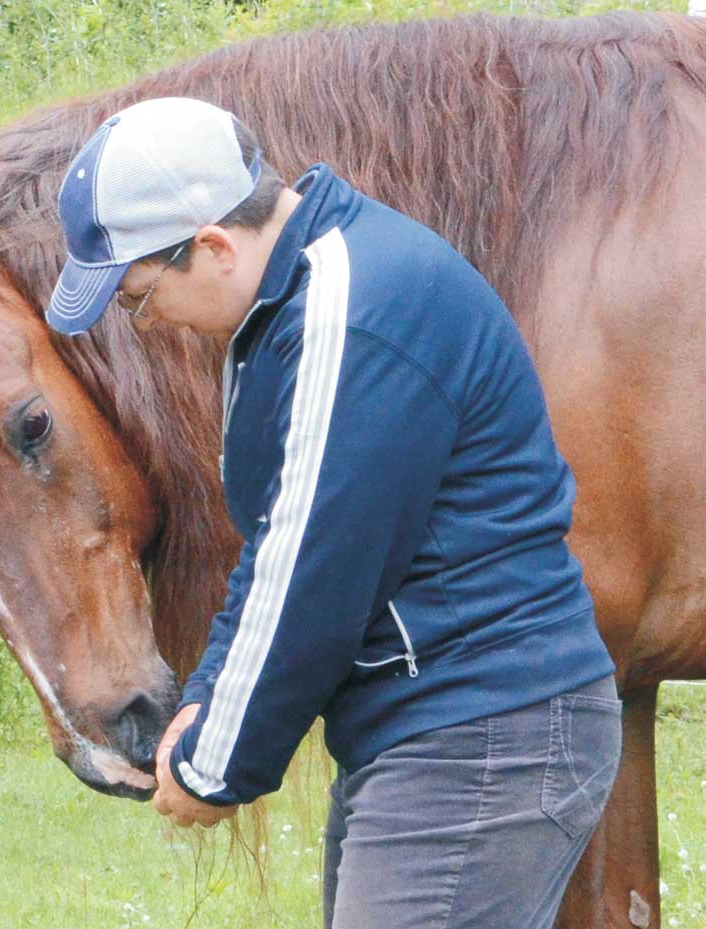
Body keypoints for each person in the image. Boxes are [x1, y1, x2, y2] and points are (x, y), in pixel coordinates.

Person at [45, 96, 623, 929]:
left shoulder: (348, 316)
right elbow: (277, 541)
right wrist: (207, 699)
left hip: (485, 734)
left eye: (138, 296)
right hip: (439, 728)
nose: (149, 320)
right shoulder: (290, 304)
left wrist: (218, 764)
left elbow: (318, 574)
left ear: (210, 247)